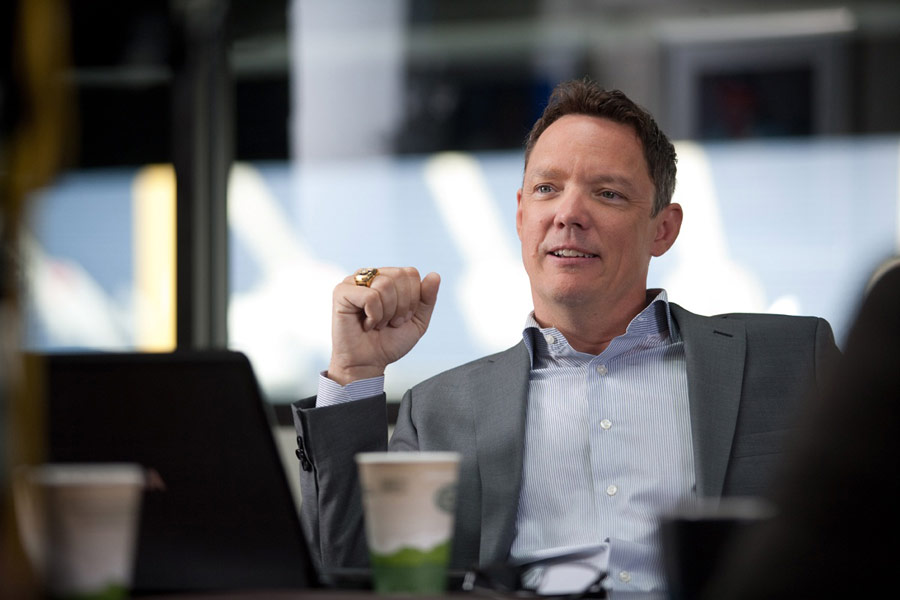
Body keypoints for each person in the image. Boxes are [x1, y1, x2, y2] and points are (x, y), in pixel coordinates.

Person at [292, 78, 840, 592]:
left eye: (608, 193)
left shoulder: (793, 362)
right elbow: (350, 577)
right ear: (521, 215)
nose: (569, 214)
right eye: (547, 188)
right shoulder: (438, 411)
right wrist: (355, 371)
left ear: (663, 229)